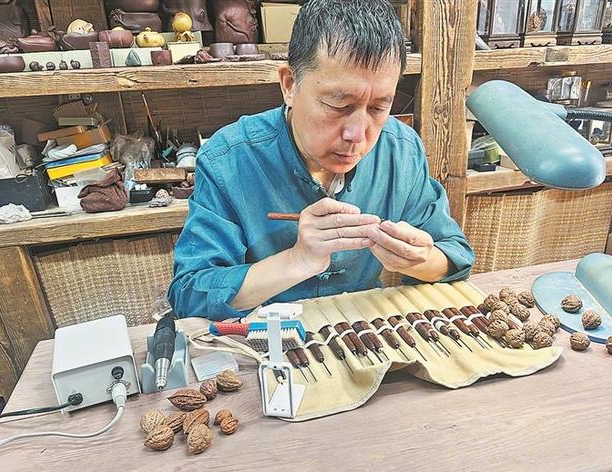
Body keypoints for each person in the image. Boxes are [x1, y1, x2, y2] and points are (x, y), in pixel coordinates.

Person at [169, 0, 475, 320]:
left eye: (378, 108)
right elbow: (190, 293)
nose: (357, 135)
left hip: (364, 334)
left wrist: (421, 260)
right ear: (289, 85)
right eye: (338, 105)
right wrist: (296, 261)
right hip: (263, 339)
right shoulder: (229, 159)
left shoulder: (400, 150)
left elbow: (454, 255)